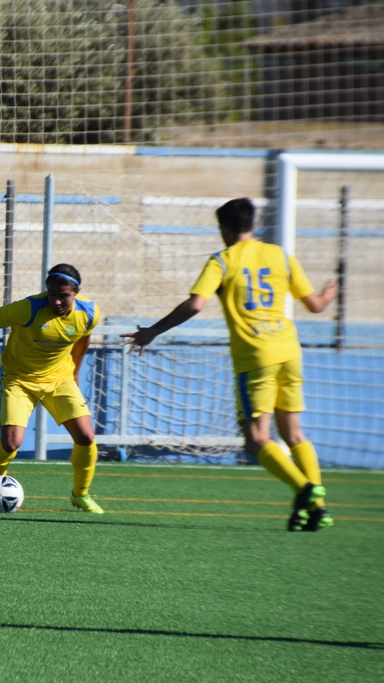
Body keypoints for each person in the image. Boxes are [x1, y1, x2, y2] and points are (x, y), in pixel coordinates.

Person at [120, 198, 337, 532]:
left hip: (256, 356)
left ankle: (304, 489)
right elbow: (316, 305)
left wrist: (153, 331)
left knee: (255, 439)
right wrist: (329, 294)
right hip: (290, 351)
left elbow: (196, 304)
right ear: (253, 224)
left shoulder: (222, 260)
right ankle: (317, 509)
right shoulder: (280, 255)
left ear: (223, 228)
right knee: (294, 433)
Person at [0, 264, 104, 513]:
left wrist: (75, 371)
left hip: (59, 379)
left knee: (86, 437)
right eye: (52, 294)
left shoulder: (89, 313)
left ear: (76, 293)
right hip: (18, 378)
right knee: (11, 443)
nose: (56, 301)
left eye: (63, 296)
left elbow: (83, 336)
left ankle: (80, 494)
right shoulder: (28, 308)